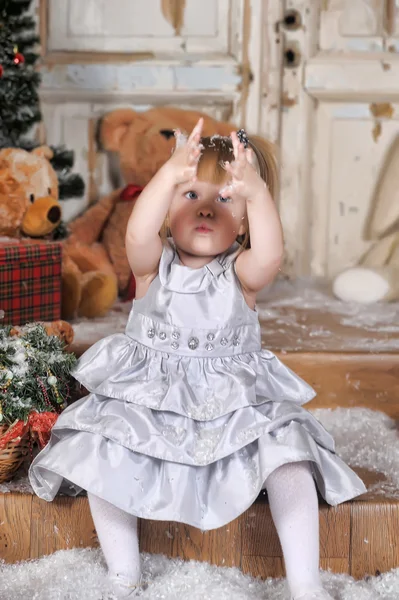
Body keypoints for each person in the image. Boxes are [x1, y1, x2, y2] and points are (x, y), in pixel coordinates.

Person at [29, 118, 366, 599]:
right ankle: (123, 572)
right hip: (149, 403)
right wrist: (167, 175)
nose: (206, 208)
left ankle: (306, 583)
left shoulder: (240, 274)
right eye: (190, 196)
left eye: (226, 200)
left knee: (290, 456)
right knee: (100, 446)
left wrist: (258, 193)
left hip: (231, 408)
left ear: (244, 221)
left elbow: (270, 254)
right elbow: (137, 234)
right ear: (167, 209)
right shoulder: (152, 268)